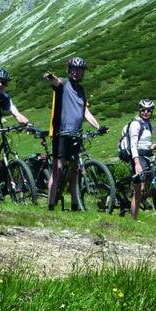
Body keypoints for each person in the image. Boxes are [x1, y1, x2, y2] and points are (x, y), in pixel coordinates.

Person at [42, 56, 103, 211]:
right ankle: (50, 205)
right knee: (59, 168)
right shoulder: (64, 84)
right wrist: (50, 77)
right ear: (69, 70)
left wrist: (98, 127)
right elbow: (55, 81)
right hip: (61, 133)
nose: (76, 72)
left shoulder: (81, 90)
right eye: (74, 69)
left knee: (75, 170)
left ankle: (75, 205)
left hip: (76, 134)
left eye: (80, 70)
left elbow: (85, 112)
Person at [118, 99, 156, 220]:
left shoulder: (148, 124)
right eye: (143, 110)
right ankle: (133, 220)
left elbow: (145, 143)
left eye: (149, 110)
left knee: (152, 184)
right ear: (139, 110)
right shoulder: (135, 124)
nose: (146, 112)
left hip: (146, 156)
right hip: (137, 157)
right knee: (139, 190)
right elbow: (133, 145)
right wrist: (137, 163)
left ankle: (138, 200)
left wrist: (155, 146)